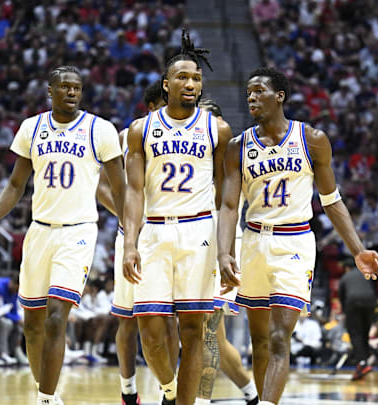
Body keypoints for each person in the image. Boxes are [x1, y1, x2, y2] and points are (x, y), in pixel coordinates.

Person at [217, 67, 378, 403]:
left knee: (281, 338)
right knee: (260, 341)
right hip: (253, 241)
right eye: (249, 92)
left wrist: (357, 250)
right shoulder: (238, 147)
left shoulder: (312, 139)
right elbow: (228, 206)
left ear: (279, 96)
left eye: (259, 91)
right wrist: (225, 252)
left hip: (294, 242)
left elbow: (331, 200)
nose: (251, 97)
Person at [0, 65, 126, 405]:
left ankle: (45, 398)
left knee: (58, 317)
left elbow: (121, 189)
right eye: (65, 87)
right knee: (33, 325)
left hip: (78, 233)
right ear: (49, 91)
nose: (71, 92)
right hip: (39, 231)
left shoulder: (100, 130)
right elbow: (15, 186)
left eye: (77, 87)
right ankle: (49, 395)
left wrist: (135, 231)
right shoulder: (31, 128)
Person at [122, 30, 230, 405]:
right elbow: (134, 192)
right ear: (166, 85)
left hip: (198, 229)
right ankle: (169, 390)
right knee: (150, 331)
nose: (190, 83)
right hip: (153, 230)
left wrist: (223, 246)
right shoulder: (141, 129)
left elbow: (226, 193)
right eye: (182, 77)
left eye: (197, 78)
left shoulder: (217, 129)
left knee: (193, 331)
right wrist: (130, 243)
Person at [99, 81, 178, 405]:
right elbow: (100, 186)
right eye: (165, 106)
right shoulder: (127, 136)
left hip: (169, 235)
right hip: (133, 236)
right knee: (128, 319)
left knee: (170, 318)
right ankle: (128, 390)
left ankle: (168, 391)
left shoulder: (184, 137)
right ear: (151, 107)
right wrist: (130, 218)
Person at [196, 99, 259, 405]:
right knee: (216, 339)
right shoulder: (192, 159)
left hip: (222, 248)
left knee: (207, 332)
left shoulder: (235, 160)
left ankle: (200, 400)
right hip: (189, 246)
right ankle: (252, 394)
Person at [339, 266, 378, 379]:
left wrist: (345, 311)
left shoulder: (345, 277)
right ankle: (365, 361)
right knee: (365, 332)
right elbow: (374, 288)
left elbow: (342, 296)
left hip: (353, 302)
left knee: (355, 334)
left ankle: (362, 363)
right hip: (370, 302)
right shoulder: (366, 274)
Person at [0, 273, 24, 365]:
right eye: (16, 289)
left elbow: (13, 310)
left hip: (2, 314)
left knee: (19, 326)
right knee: (6, 323)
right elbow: (1, 310)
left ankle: (12, 352)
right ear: (12, 283)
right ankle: (1, 353)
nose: (16, 292)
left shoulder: (15, 290)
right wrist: (16, 319)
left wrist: (19, 320)